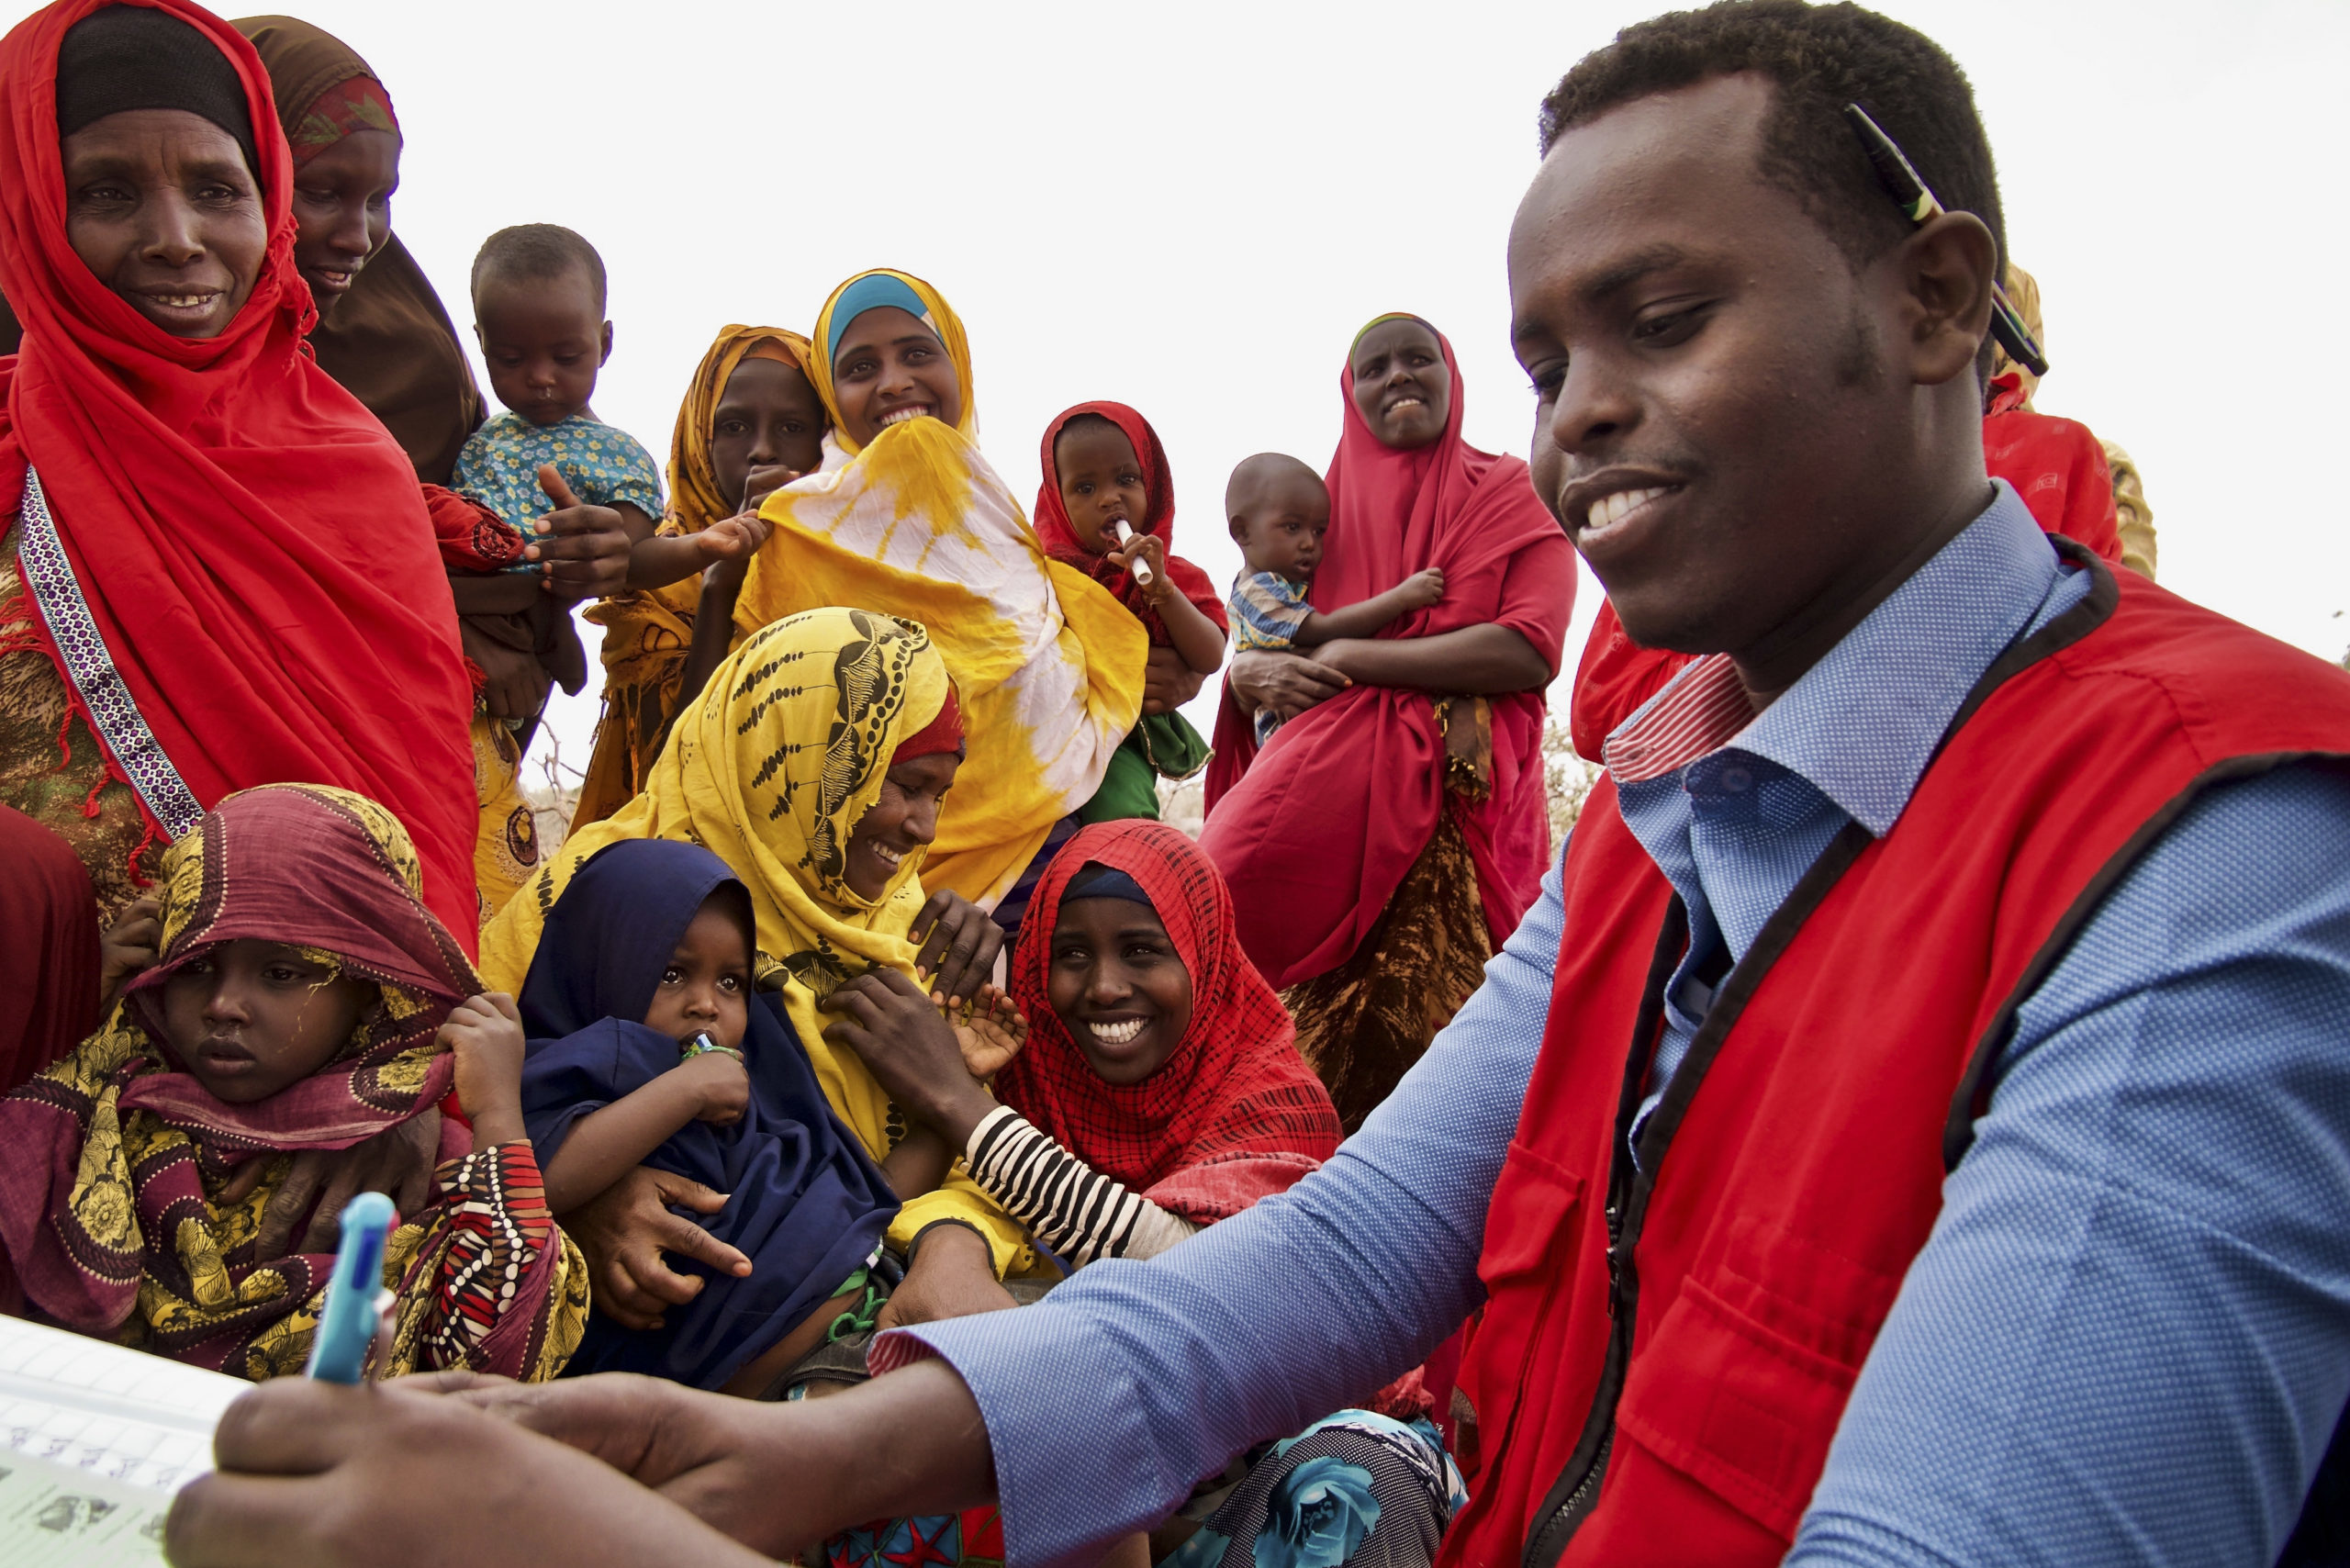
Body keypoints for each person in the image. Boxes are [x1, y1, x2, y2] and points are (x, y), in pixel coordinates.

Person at [162, 6, 2350, 1568]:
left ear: (1939, 297)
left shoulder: (2210, 847)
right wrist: (815, 1460)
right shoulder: (1676, 795)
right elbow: (1354, 1253)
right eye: (1542, 363)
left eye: (1655, 319)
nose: (1574, 420)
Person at [825, 819, 1454, 1568]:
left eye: (1143, 951)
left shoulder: (1273, 1100)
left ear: (1205, 957)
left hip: (1257, 1480)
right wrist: (950, 1216)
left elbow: (1201, 1275)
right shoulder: (1033, 1071)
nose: (1103, 988)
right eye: (1071, 956)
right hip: (1091, 1483)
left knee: (1355, 1484)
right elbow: (924, 1215)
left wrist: (965, 1109)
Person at [0, 0, 476, 943]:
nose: (177, 236)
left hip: (338, 1060)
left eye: (218, 190)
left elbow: (418, 838)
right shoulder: (12, 453)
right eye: (106, 192)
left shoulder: (358, 473)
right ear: (27, 203)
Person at [477, 607, 1041, 1333]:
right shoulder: (606, 890)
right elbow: (475, 1098)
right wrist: (586, 1202)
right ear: (800, 746)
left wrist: (943, 1245)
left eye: (941, 794)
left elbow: (936, 1172)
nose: (926, 828)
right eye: (902, 784)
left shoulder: (914, 937)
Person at [230, 15, 625, 924]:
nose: (361, 233)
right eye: (324, 191)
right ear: (243, 172)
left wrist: (579, 555)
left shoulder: (413, 344)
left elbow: (490, 520)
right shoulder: (159, 364)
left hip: (441, 743)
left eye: (383, 198)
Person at [0, 783, 588, 1383]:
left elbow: (507, 1352)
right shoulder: (103, 1113)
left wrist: (496, 1118)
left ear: (368, 991)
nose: (224, 1004)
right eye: (195, 967)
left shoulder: (426, 1178)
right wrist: (91, 1002)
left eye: (281, 973)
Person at [1202, 314, 1574, 1133]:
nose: (1397, 376)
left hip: (1458, 819)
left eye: (1418, 358)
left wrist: (1348, 663)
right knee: (1280, 1063)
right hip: (1315, 812)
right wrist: (1245, 677)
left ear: (1452, 373)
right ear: (1350, 393)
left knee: (1443, 1082)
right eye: (1374, 366)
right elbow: (1263, 644)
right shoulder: (1312, 527)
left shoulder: (1511, 492)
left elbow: (1527, 648)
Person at [728, 269, 1151, 917]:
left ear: (960, 365)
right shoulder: (794, 534)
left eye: (918, 353)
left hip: (1042, 856)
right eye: (861, 366)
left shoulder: (1001, 521)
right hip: (863, 881)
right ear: (832, 398)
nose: (895, 381)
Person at [514, 838, 904, 1396]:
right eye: (672, 973)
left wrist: (944, 1114)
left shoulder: (758, 1085)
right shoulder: (593, 1060)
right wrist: (684, 1092)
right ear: (600, 961)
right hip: (779, 1391)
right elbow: (532, 1182)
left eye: (730, 983)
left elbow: (861, 1196)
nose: (707, 1005)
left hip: (873, 1318)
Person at [574, 325, 827, 825]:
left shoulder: (852, 561)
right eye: (734, 427)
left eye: (793, 427)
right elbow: (670, 774)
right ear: (699, 437)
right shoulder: (653, 573)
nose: (762, 450)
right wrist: (719, 586)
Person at [1032, 402, 1224, 824]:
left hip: (1122, 742)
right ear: (1056, 501)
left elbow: (1209, 656)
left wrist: (1164, 592)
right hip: (1037, 738)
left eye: (1126, 479)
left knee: (1122, 823)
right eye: (1084, 488)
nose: (1109, 498)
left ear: (1153, 486)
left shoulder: (1175, 575)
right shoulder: (1039, 576)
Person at [1223, 454, 1445, 747]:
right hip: (1289, 734)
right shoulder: (1256, 592)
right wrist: (1400, 598)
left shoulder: (1282, 584)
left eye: (1319, 531)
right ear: (1242, 531)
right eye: (1292, 527)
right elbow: (1323, 627)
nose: (1309, 543)